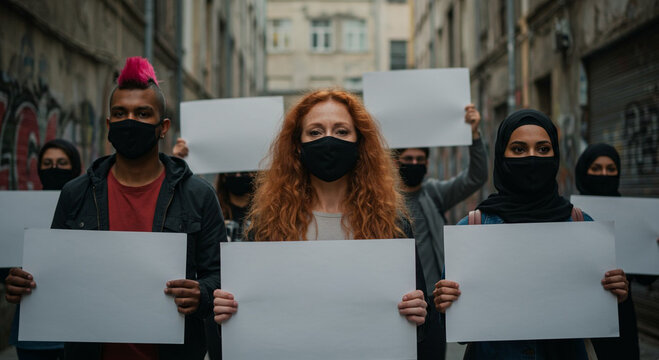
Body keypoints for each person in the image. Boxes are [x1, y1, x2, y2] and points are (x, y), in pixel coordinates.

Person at [4, 57, 224, 360]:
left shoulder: (199, 196)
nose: (129, 121)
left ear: (163, 128)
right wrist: (26, 284)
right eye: (120, 113)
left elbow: (221, 278)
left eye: (143, 113)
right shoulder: (76, 193)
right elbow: (55, 274)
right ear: (109, 124)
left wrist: (201, 294)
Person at [212, 89, 437, 358]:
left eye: (341, 131)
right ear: (297, 144)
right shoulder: (267, 225)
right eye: (315, 132)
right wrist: (226, 311)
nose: (328, 139)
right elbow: (245, 318)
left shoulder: (393, 224)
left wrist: (419, 313)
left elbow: (419, 321)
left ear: (359, 142)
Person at [433, 109, 629, 359]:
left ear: (555, 155)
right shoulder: (472, 231)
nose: (532, 157)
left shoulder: (582, 226)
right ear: (502, 156)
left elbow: (599, 322)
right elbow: (458, 332)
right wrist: (445, 304)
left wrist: (616, 295)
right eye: (518, 149)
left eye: (543, 149)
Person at [395, 105, 487, 360]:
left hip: (433, 302)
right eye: (408, 160)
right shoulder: (384, 203)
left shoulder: (434, 193)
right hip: (399, 303)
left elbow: (475, 177)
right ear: (396, 162)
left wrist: (475, 135)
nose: (414, 164)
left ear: (426, 164)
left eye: (419, 160)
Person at [3, 139, 82, 359]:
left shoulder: (89, 206)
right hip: (33, 329)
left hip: (78, 328)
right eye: (47, 163)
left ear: (75, 167)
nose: (53, 168)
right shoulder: (21, 210)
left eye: (61, 162)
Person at [575, 143, 642, 360]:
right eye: (596, 168)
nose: (604, 175)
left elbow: (646, 277)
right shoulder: (570, 215)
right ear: (584, 171)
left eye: (611, 169)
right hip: (580, 313)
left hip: (621, 311)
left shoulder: (635, 217)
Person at [173, 138, 255, 242]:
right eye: (232, 171)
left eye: (244, 171)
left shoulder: (268, 214)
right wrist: (179, 162)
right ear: (223, 176)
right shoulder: (208, 208)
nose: (238, 175)